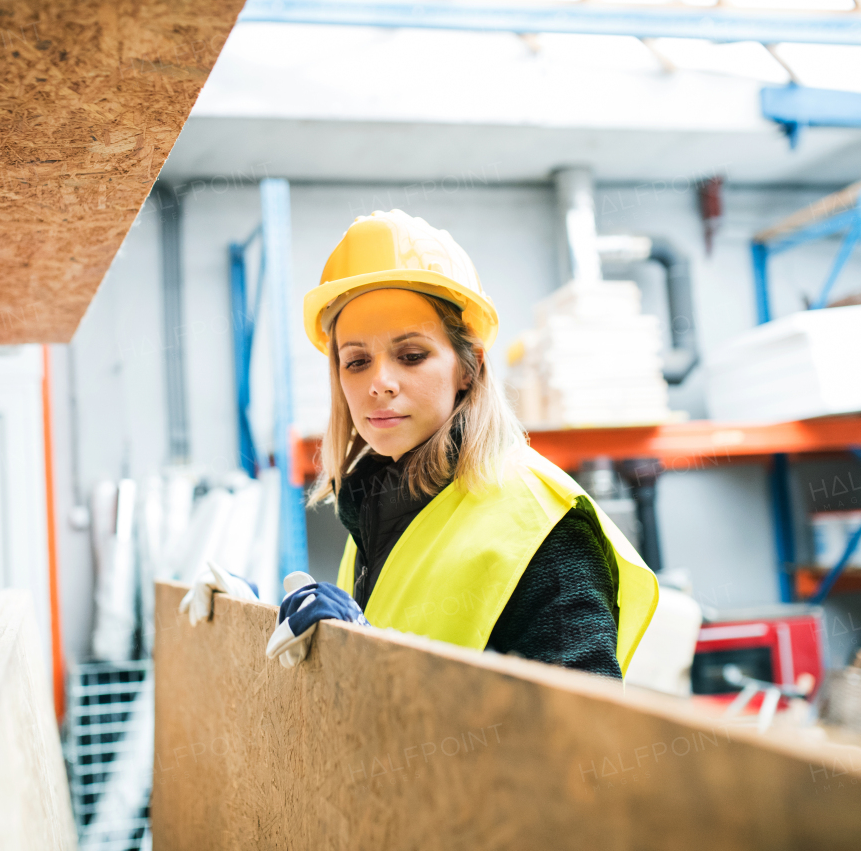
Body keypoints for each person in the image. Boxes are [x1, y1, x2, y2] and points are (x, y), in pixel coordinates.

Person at [191, 210, 658, 679]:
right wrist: (250, 624)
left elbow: (576, 739)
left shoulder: (543, 525)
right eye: (356, 362)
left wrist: (373, 657)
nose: (380, 383)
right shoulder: (375, 504)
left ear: (468, 368)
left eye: (411, 356)